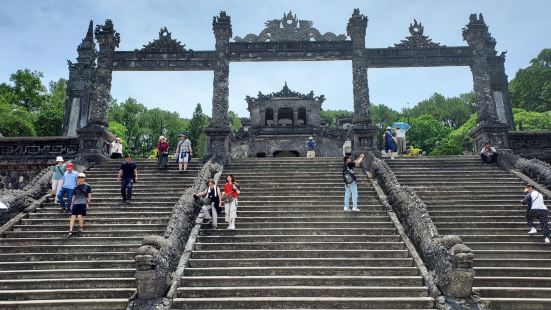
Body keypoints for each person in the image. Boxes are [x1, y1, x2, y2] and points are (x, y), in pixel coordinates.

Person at [67, 173, 92, 237]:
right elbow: (74, 196)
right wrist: (71, 204)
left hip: (83, 203)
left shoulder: (88, 186)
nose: (81, 178)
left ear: (84, 178)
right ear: (78, 178)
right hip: (76, 203)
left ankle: (81, 227)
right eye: (79, 177)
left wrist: (88, 203)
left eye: (82, 177)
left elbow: (89, 195)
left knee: (79, 216)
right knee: (72, 216)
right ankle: (70, 230)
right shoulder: (76, 187)